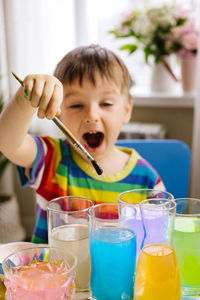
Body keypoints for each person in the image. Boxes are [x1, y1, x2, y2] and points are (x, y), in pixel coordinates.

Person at [0, 44, 165, 243]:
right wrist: (25, 99)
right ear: (57, 110)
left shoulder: (147, 182)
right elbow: (7, 142)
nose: (91, 116)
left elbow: (159, 243)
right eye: (76, 105)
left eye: (106, 104)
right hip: (54, 273)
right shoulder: (51, 158)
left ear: (127, 109)